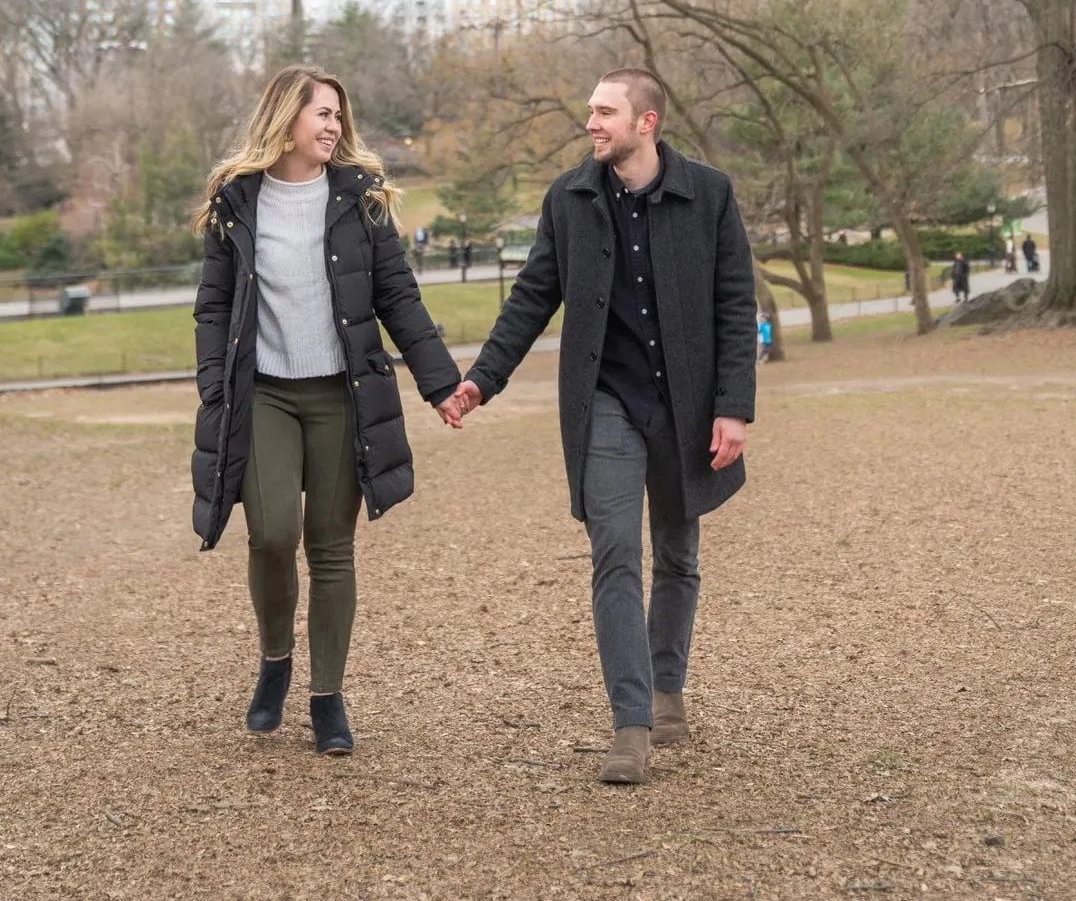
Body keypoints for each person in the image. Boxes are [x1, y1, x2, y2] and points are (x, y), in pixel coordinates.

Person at [448, 68, 756, 786]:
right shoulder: (571, 197)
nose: (591, 122)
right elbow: (532, 297)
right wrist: (480, 379)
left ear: (646, 123)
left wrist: (733, 404)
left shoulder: (709, 194)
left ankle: (666, 685)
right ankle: (631, 722)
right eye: (591, 110)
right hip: (607, 401)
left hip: (686, 405)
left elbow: (735, 303)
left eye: (605, 111)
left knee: (677, 552)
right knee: (614, 551)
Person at [189, 65, 463, 756]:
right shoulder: (237, 200)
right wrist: (214, 387)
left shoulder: (360, 198)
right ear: (286, 116)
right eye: (322, 113)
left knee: (331, 545)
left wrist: (441, 384)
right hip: (266, 393)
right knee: (273, 533)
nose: (335, 126)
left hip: (342, 392)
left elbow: (398, 296)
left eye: (339, 114)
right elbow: (214, 304)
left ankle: (327, 697)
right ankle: (274, 661)